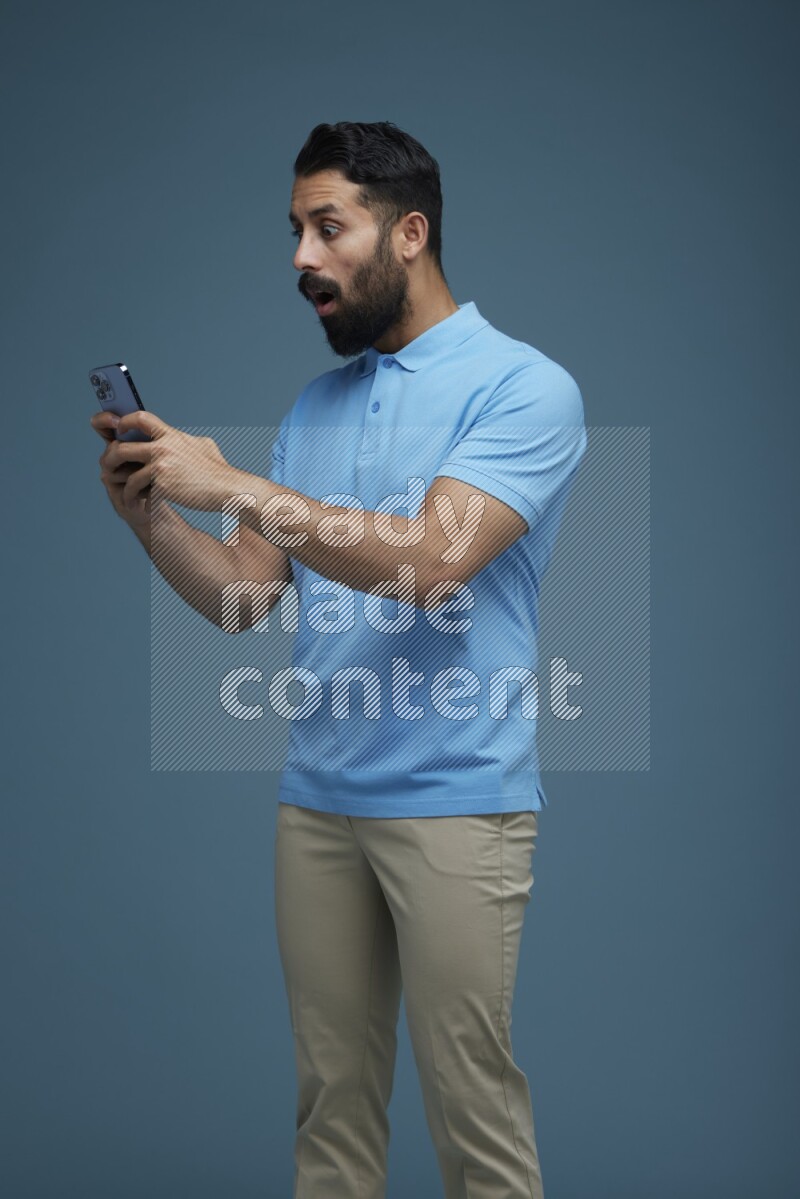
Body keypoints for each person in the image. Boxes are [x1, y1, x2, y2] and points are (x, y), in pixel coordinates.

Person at [91, 120, 587, 1199]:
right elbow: (243, 598)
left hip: (458, 798)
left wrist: (235, 485)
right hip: (318, 801)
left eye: (328, 228)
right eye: (294, 230)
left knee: (473, 1114)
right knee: (331, 1109)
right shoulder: (314, 408)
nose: (301, 258)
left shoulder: (524, 387)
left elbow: (433, 563)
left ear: (409, 233)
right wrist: (154, 517)